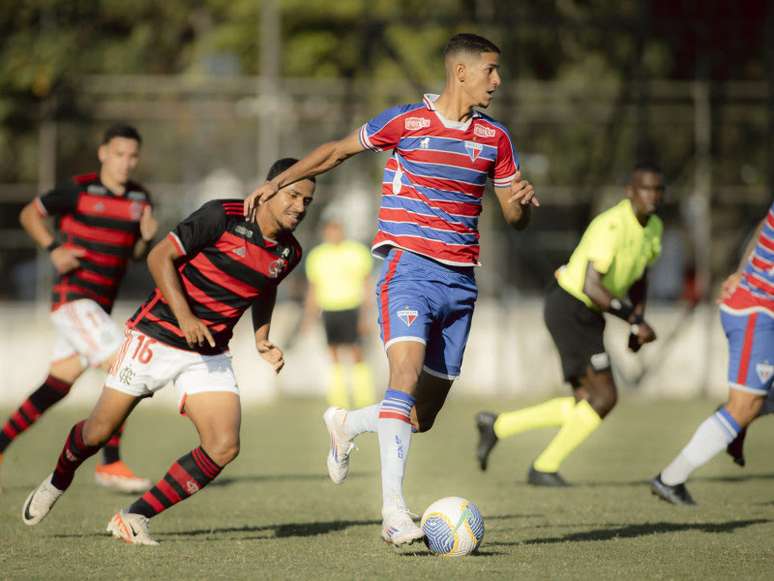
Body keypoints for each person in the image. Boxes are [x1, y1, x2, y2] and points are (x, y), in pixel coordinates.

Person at [244, 33, 538, 546]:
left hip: (461, 285)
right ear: (460, 72)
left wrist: (519, 203)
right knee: (401, 375)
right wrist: (278, 181)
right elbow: (335, 152)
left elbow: (514, 219)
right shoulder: (405, 122)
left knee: (421, 416)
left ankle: (347, 424)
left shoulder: (496, 139)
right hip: (408, 272)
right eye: (490, 70)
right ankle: (395, 512)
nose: (497, 80)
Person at [21, 158, 315, 545]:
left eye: (307, 201)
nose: (299, 206)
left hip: (208, 352)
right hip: (155, 335)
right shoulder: (221, 215)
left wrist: (262, 337)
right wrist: (185, 317)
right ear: (270, 188)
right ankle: (58, 480)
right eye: (293, 195)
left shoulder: (289, 252)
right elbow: (161, 257)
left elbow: (266, 284)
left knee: (223, 446)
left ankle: (134, 516)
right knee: (97, 433)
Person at [476, 163, 664, 486]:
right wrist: (633, 320)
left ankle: (498, 426)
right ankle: (543, 467)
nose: (653, 196)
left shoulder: (655, 227)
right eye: (645, 189)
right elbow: (592, 286)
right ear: (630, 192)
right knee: (604, 397)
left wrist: (638, 321)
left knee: (586, 402)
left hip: (587, 312)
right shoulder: (612, 226)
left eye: (659, 190)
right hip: (570, 305)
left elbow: (640, 276)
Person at [0, 124, 156, 493]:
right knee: (125, 367)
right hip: (74, 300)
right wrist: (54, 248)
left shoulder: (140, 199)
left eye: (132, 156)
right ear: (103, 153)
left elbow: (134, 257)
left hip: (98, 309)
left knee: (58, 383)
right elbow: (29, 215)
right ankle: (110, 463)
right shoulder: (79, 188)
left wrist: (146, 239)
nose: (125, 163)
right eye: (119, 154)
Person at [651, 202, 773, 505]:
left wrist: (742, 271)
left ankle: (737, 420)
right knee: (744, 406)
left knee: (748, 406)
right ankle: (670, 478)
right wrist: (744, 274)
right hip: (756, 312)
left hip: (758, 307)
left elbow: (763, 225)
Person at [303, 217, 375, 408]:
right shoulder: (317, 256)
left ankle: (363, 398)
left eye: (337, 230)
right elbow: (313, 288)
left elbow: (367, 285)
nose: (333, 234)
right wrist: (308, 317)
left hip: (352, 308)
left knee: (357, 353)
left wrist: (366, 315)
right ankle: (338, 399)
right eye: (330, 230)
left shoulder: (357, 252)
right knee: (333, 353)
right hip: (329, 310)